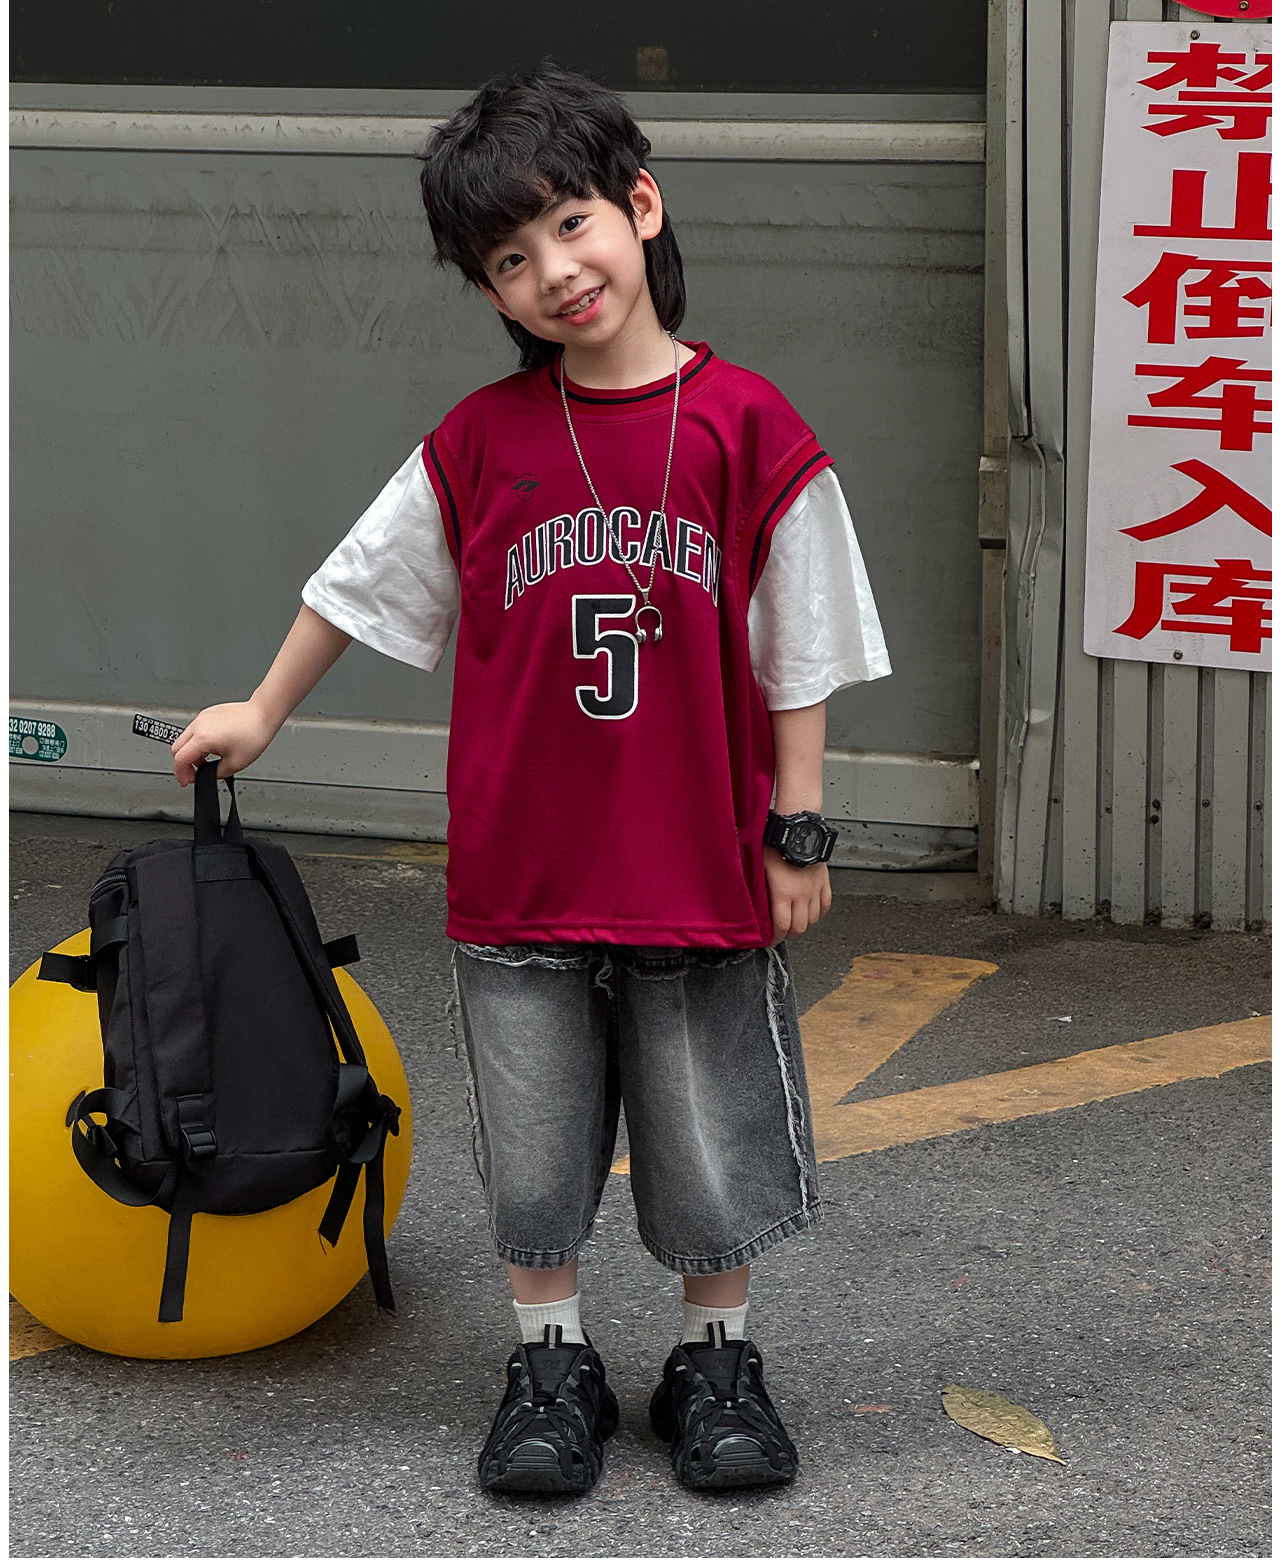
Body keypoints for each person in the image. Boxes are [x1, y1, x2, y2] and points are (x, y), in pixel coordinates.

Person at [171, 61, 890, 1496]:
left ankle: (715, 1360)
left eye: (571, 224)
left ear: (641, 206)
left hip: (696, 863)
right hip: (524, 868)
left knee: (709, 1133)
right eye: (510, 259)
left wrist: (798, 825)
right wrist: (261, 711)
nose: (555, 271)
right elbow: (357, 584)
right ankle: (549, 1361)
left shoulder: (748, 426)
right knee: (536, 1139)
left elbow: (799, 639)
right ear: (489, 291)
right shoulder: (481, 443)